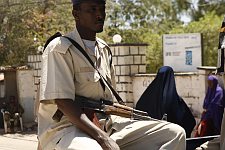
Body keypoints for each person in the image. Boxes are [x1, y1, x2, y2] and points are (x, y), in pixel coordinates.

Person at [38, 0, 186, 149]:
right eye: (92, 9)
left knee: (175, 133)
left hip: (105, 124)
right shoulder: (59, 48)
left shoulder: (104, 49)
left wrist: (108, 130)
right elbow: (64, 103)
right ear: (76, 13)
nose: (100, 15)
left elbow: (108, 101)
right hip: (67, 128)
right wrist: (102, 138)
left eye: (102, 9)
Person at [136, 66, 196, 138]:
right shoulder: (176, 101)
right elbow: (190, 122)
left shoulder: (146, 97)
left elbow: (138, 112)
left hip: (148, 139)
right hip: (170, 140)